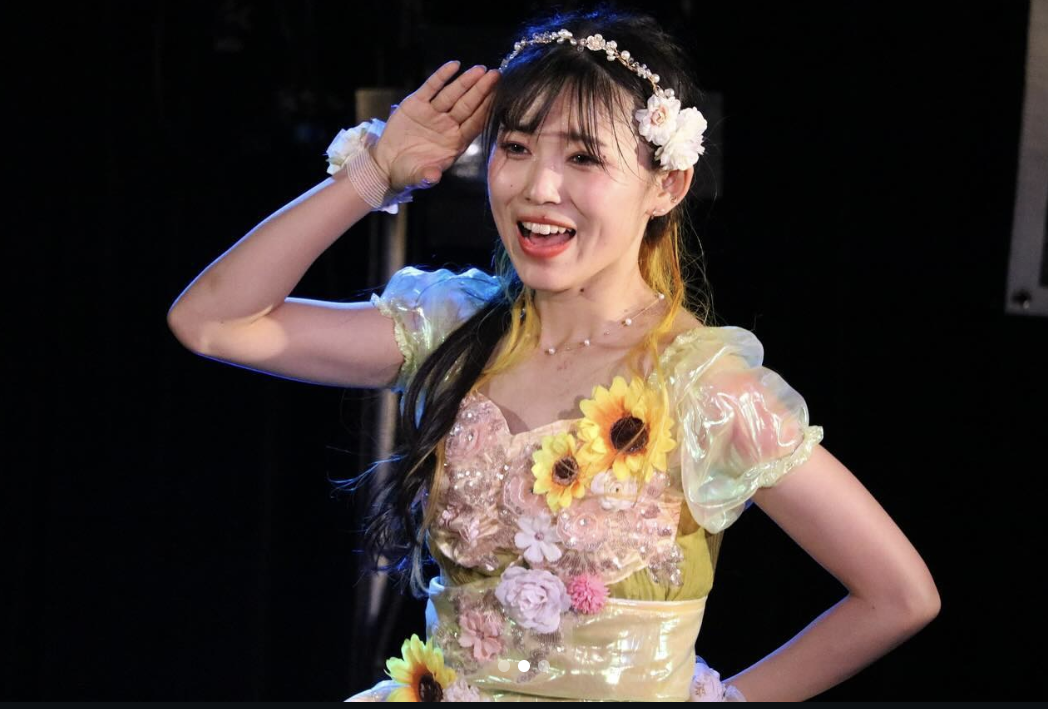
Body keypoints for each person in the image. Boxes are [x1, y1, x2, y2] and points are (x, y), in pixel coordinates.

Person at [168, 3, 940, 702]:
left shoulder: (702, 384)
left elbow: (899, 595)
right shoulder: (450, 328)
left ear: (668, 185)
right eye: (515, 146)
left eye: (583, 158)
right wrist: (372, 174)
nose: (538, 187)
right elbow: (211, 322)